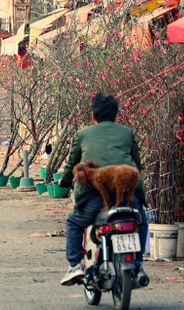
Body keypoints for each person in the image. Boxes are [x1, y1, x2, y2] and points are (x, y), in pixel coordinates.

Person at [57, 94, 148, 286]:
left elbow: (73, 163)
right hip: (128, 196)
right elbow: (137, 164)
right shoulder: (126, 132)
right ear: (116, 116)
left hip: (95, 197)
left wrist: (65, 181)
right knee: (141, 221)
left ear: (93, 115)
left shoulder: (83, 134)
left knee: (74, 222)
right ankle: (138, 264)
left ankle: (74, 266)